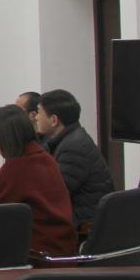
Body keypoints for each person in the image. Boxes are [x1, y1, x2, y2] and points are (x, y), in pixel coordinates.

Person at [0, 105, 77, 256]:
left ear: (4, 139)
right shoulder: (45, 158)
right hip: (64, 246)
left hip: (38, 253)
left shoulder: (16, 167)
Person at [35, 89, 114, 225]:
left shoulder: (73, 147)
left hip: (84, 221)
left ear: (54, 120)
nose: (36, 117)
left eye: (39, 112)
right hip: (83, 213)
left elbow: (55, 194)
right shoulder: (65, 139)